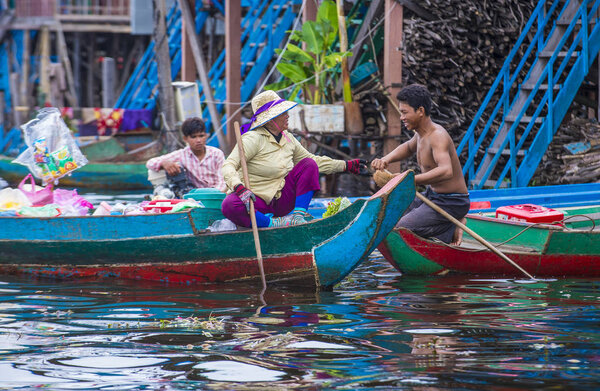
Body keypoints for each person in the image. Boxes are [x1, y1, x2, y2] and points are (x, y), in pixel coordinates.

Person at [221, 90, 367, 228]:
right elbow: (229, 165)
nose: (287, 115)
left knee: (308, 164)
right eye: (282, 113)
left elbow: (313, 162)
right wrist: (239, 188)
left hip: (281, 200)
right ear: (270, 119)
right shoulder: (252, 139)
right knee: (229, 205)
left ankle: (297, 217)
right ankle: (271, 223)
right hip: (255, 201)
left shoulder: (288, 138)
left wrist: (346, 165)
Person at [371, 84, 470, 244]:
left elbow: (446, 171)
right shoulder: (420, 135)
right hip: (432, 196)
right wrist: (385, 159)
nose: (401, 117)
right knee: (389, 214)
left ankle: (451, 227)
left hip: (452, 202)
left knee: (401, 228)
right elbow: (407, 147)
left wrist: (410, 179)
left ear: (420, 111)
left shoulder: (437, 136)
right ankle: (447, 226)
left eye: (404, 112)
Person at [146, 117, 226, 197]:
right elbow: (150, 163)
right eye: (193, 137)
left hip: (217, 195)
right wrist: (164, 163)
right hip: (195, 198)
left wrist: (214, 195)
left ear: (206, 136)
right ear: (185, 139)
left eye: (201, 136)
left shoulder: (217, 154)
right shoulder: (182, 155)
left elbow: (222, 181)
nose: (198, 140)